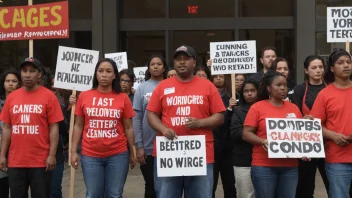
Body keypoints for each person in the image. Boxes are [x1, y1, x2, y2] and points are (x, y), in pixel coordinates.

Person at [147, 45, 225, 198]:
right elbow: (151, 115)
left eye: (186, 59)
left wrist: (200, 123)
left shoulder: (208, 86)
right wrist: (163, 129)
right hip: (168, 154)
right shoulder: (163, 86)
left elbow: (220, 117)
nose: (181, 63)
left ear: (194, 63)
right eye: (178, 59)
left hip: (200, 155)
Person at [70, 58, 137, 198]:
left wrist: (133, 151)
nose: (104, 75)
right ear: (96, 74)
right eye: (100, 71)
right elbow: (78, 125)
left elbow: (129, 127)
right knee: (93, 194)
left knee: (115, 194)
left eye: (108, 71)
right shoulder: (84, 96)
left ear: (114, 76)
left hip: (118, 154)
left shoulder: (123, 98)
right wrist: (73, 151)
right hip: (90, 155)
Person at [0, 57, 63, 198]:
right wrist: (2, 155)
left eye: (32, 71)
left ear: (39, 74)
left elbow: (54, 127)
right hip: (16, 161)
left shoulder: (49, 97)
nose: (27, 75)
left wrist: (52, 155)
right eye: (24, 71)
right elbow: (7, 127)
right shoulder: (12, 97)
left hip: (40, 161)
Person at [242, 70, 309, 198]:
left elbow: (300, 134)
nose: (283, 88)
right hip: (264, 166)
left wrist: (307, 126)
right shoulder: (257, 107)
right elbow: (246, 133)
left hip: (290, 167)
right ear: (268, 88)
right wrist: (262, 141)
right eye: (278, 85)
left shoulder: (294, 108)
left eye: (285, 85)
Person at [310, 49, 352, 198]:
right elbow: (314, 125)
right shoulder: (325, 94)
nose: (346, 65)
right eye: (341, 62)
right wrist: (333, 136)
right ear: (332, 68)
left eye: (348, 62)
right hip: (337, 159)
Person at [291, 55, 328, 198]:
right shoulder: (299, 90)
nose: (318, 70)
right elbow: (294, 115)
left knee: (333, 184)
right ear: (306, 71)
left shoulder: (330, 88)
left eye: (320, 67)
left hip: (328, 142)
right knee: (305, 187)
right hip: (307, 144)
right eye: (314, 68)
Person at [133, 55, 167, 198]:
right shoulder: (142, 88)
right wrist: (139, 145)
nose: (155, 66)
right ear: (148, 67)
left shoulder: (171, 85)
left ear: (164, 67)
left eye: (159, 64)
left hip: (168, 144)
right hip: (148, 146)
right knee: (151, 185)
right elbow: (137, 118)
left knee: (167, 186)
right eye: (152, 64)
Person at [230, 79, 258, 198]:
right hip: (243, 161)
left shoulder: (266, 108)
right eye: (246, 91)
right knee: (246, 194)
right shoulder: (238, 111)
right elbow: (235, 132)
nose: (249, 94)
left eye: (252, 90)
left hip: (265, 161)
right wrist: (256, 135)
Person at [211, 74, 237, 198]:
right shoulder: (208, 95)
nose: (219, 78)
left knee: (229, 182)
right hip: (212, 145)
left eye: (221, 76)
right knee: (211, 183)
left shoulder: (232, 95)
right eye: (216, 76)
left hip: (228, 145)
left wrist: (231, 107)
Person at [0, 69, 20, 197]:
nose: (10, 84)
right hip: (1, 148)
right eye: (8, 81)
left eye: (14, 81)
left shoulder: (22, 102)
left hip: (17, 150)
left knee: (16, 189)